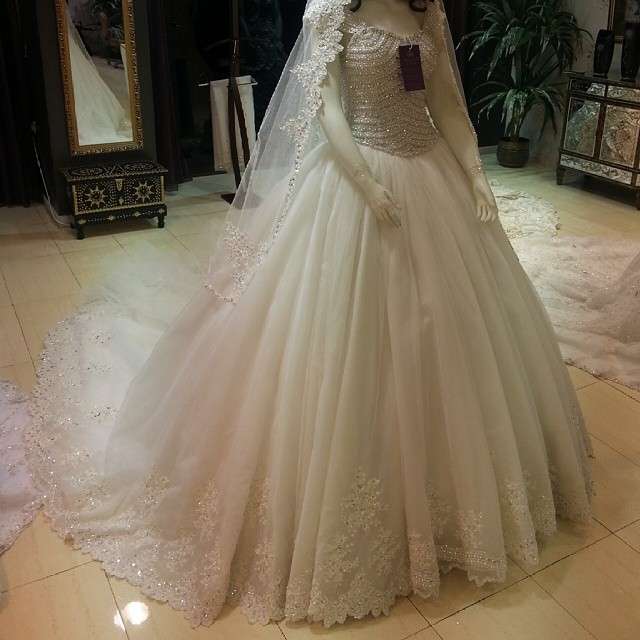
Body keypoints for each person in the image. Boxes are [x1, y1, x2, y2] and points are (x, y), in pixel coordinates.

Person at [0, 0, 592, 628]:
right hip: (355, 183)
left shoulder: (429, 13)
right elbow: (328, 107)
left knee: (454, 343)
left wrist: (474, 174)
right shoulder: (330, 11)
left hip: (430, 183)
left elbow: (445, 103)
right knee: (339, 347)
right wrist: (366, 182)